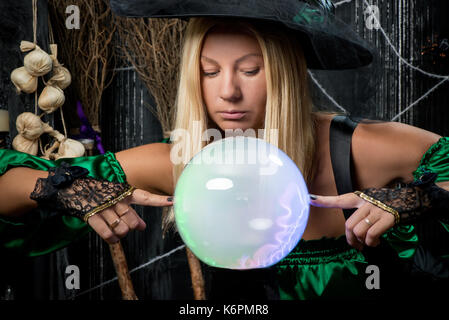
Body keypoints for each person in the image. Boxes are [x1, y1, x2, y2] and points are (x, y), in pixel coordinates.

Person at [1, 0, 449, 299]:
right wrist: (63, 188)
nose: (228, 92)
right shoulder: (182, 161)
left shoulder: (359, 151)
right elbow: (7, 186)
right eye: (209, 71)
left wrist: (422, 196)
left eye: (250, 70)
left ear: (285, 74)